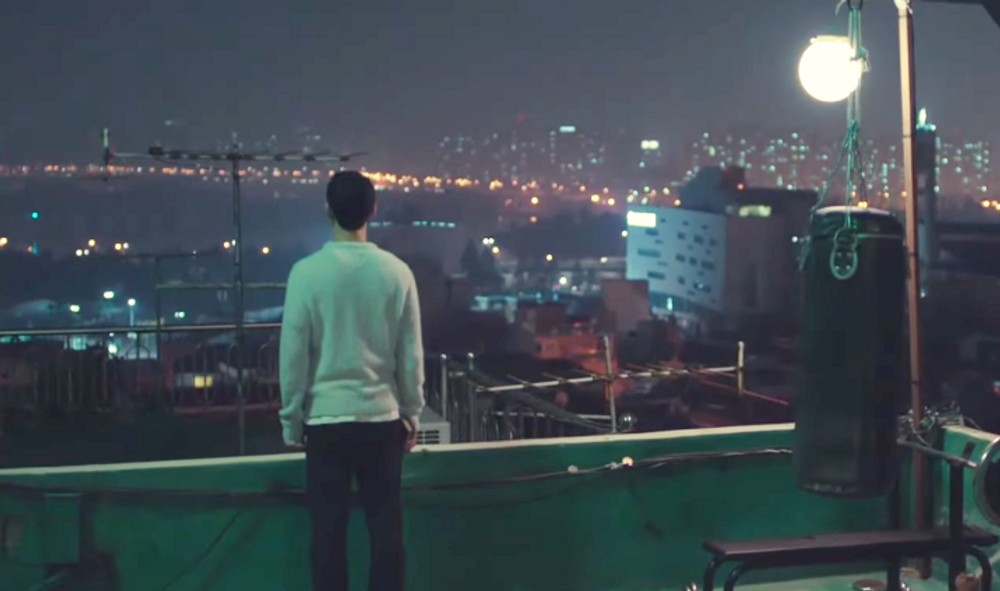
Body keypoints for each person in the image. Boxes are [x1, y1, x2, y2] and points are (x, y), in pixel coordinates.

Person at [279, 171, 425, 591]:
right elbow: (410, 355)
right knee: (387, 536)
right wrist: (411, 413)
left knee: (328, 538)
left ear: (328, 210)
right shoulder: (397, 273)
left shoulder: (305, 274)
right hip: (382, 422)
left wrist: (291, 420)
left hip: (326, 424)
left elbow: (294, 355)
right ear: (372, 210)